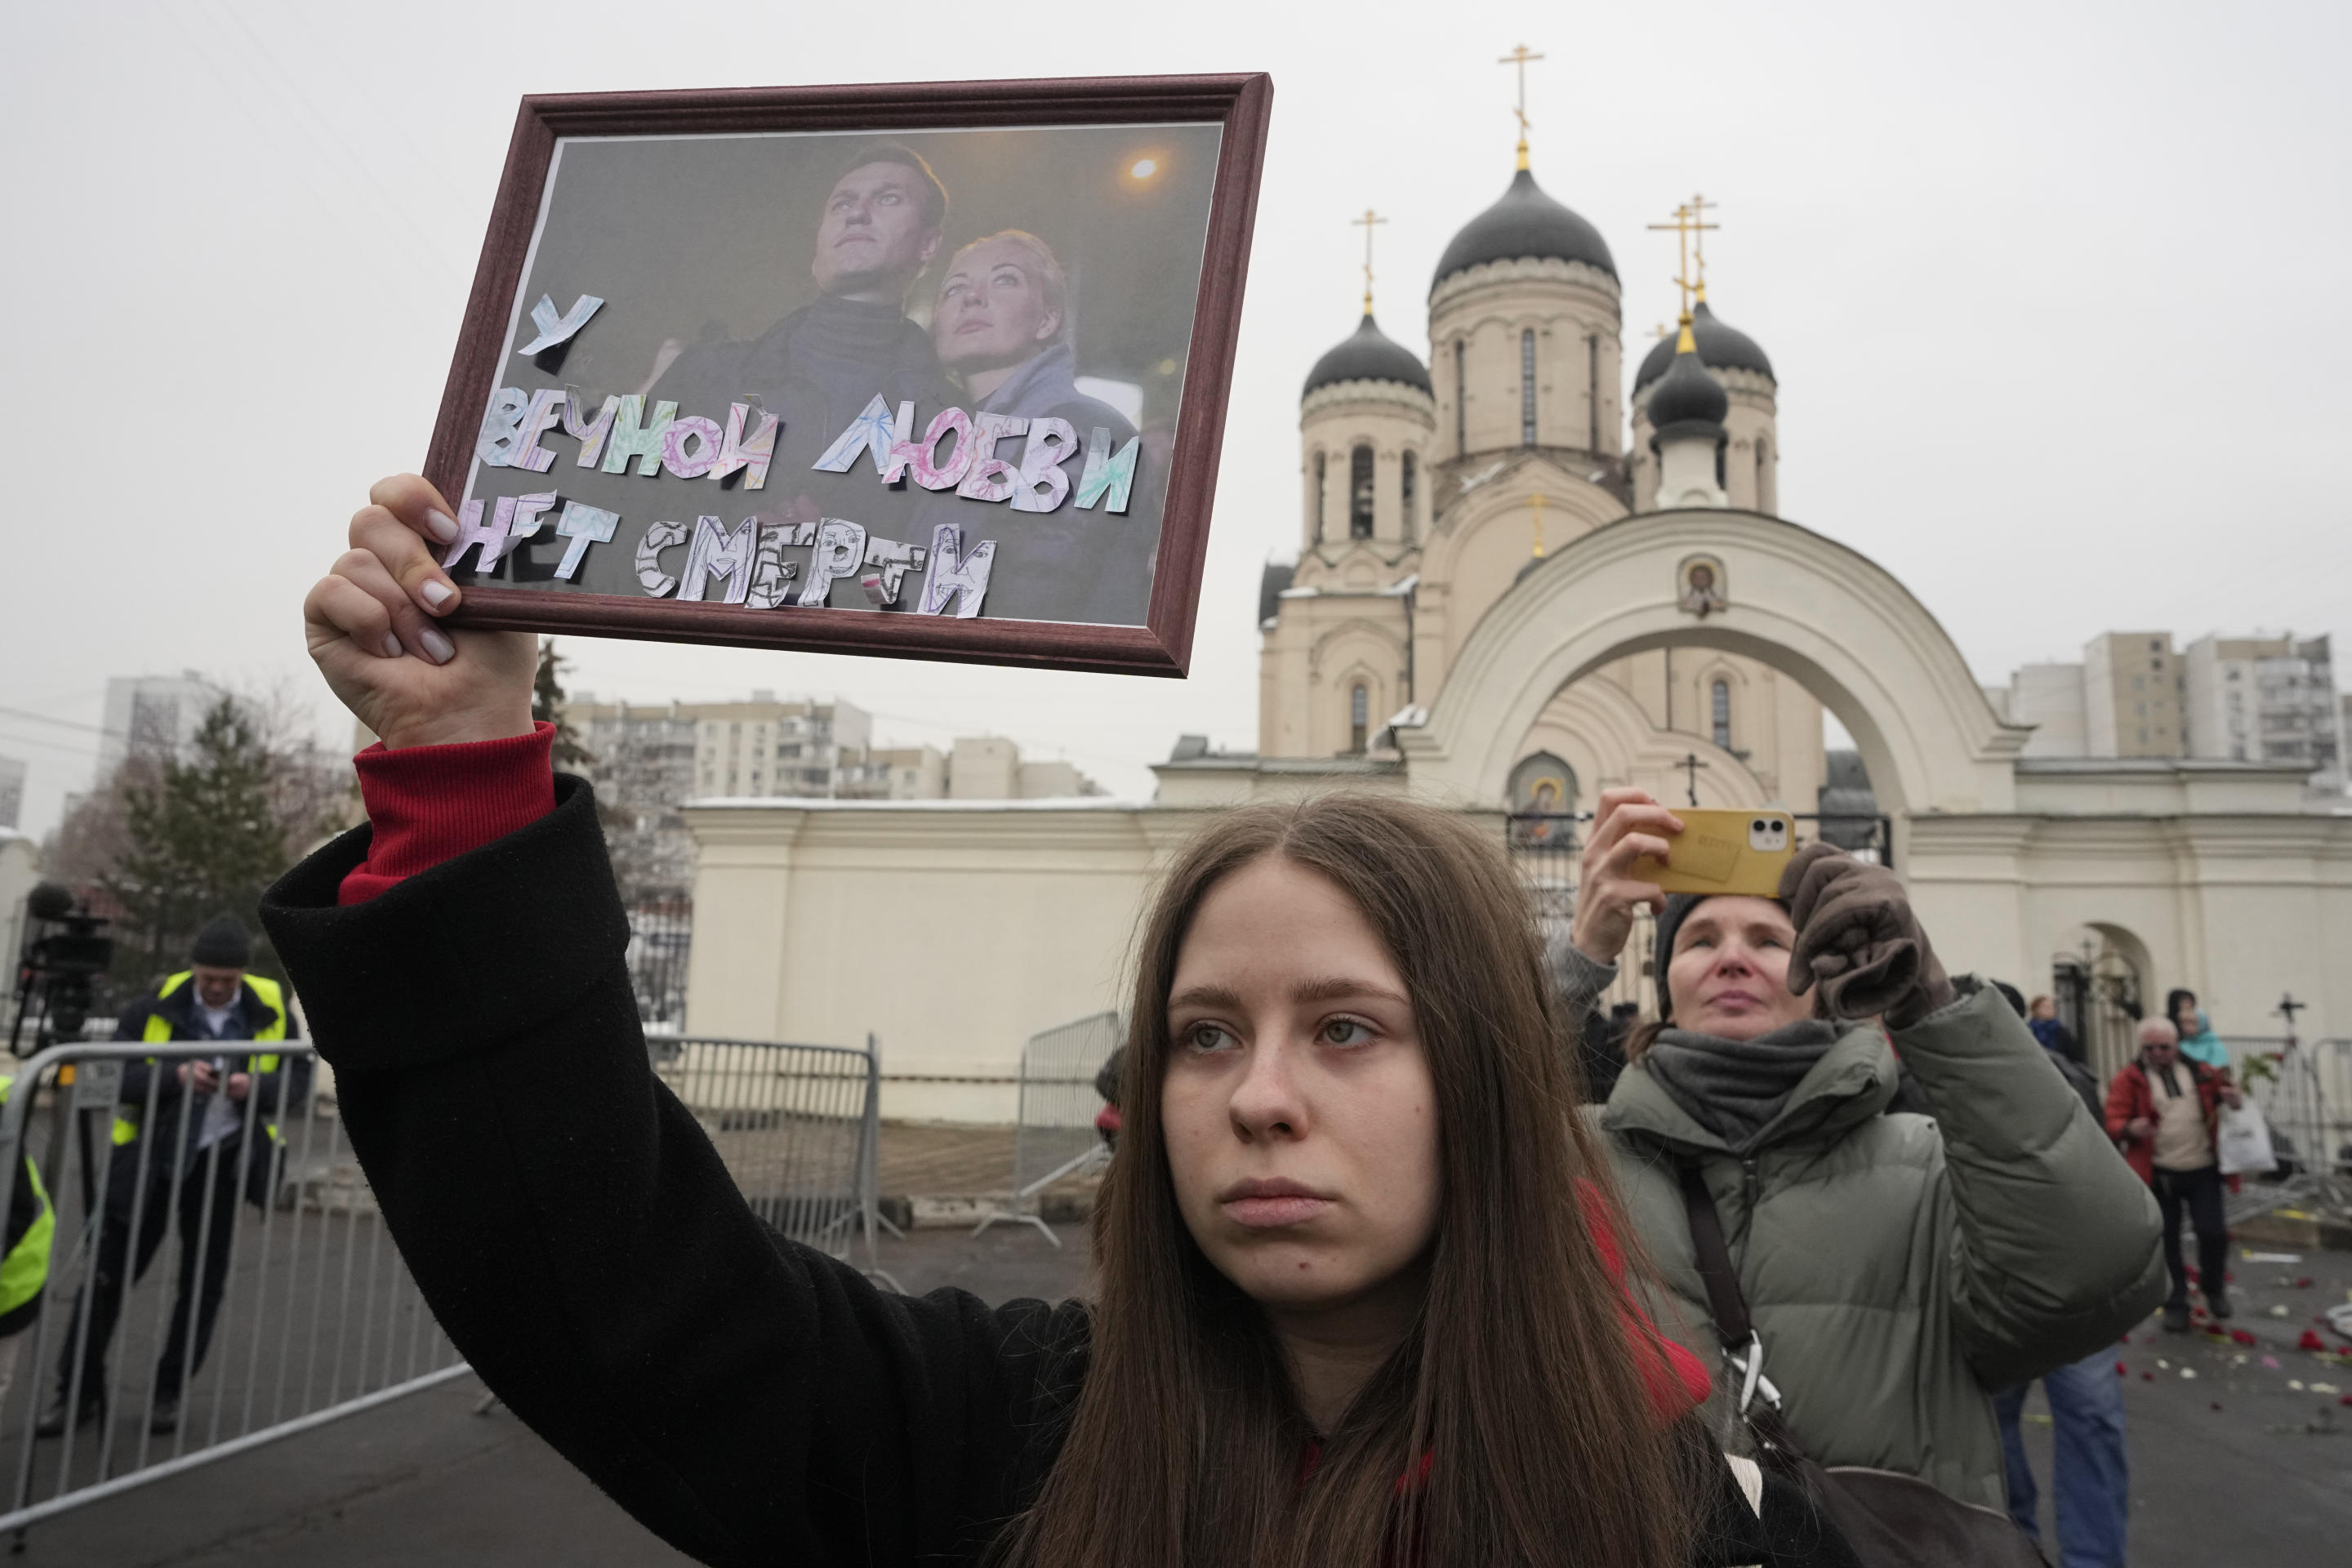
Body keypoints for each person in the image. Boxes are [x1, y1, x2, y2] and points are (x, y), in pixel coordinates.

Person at [274, 474, 1865, 1567]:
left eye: (1350, 1030)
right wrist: (466, 765)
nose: (1259, 1096)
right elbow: (614, 1295)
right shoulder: (1018, 1444)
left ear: (1490, 1084)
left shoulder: (1695, 1527)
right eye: (1204, 1034)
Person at [1556, 788, 2164, 1512]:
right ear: (1668, 987)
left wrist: (1925, 1001)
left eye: (1769, 940)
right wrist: (1577, 958)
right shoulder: (1577, 1156)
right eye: (1699, 941)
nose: (1732, 959)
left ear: (1819, 984)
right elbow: (1434, 1166)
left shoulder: (1931, 1165)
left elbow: (2090, 1273)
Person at [38, 916, 310, 1438]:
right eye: (208, 977)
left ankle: (168, 1393)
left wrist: (251, 1087)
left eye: (226, 981)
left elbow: (295, 1079)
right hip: (149, 1166)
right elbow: (113, 1073)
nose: (215, 988)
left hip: (224, 1165)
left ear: (241, 977)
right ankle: (75, 1394)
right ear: (193, 970)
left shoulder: (270, 1011)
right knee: (107, 1281)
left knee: (202, 1286)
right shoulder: (151, 1008)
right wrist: (176, 1076)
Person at [649, 141, 950, 602]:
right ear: (817, 247)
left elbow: (943, 587)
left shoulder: (950, 423)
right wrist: (728, 551)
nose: (857, 214)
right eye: (842, 203)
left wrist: (846, 567)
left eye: (888, 198)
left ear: (929, 243)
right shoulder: (707, 374)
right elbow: (623, 519)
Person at [922, 229, 1147, 625]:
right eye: (954, 288)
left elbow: (1032, 596)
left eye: (1005, 279)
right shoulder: (945, 441)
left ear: (1046, 320)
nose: (972, 297)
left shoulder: (1092, 431)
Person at [1984, 982, 2129, 1568]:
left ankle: (2092, 1560)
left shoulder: (2071, 1080)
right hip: (1996, 1288)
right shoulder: (1946, 1083)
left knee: (2091, 1422)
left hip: (2074, 1287)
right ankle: (2014, 1544)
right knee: (1992, 1430)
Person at [2105, 1018, 2239, 1332]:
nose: (2156, 1053)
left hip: (2203, 1167)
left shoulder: (2202, 1072)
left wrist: (2234, 1099)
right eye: (2149, 1047)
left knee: (2214, 1233)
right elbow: (2112, 1118)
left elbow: (2229, 1098)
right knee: (2167, 1242)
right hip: (2159, 1172)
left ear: (2175, 1045)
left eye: (2163, 1047)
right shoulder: (2130, 1078)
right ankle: (2175, 1303)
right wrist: (2128, 1128)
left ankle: (2214, 1287)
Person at [2165, 988, 2230, 1071]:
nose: (2186, 1027)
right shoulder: (2180, 1043)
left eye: (2191, 1023)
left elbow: (2219, 1069)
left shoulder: (2213, 1044)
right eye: (2183, 1022)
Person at [2026, 994, 2084, 1064]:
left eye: (2052, 1007)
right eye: (2045, 1007)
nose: (2050, 1010)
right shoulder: (2028, 1029)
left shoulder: (2060, 1030)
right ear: (2035, 1009)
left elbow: (2072, 1053)